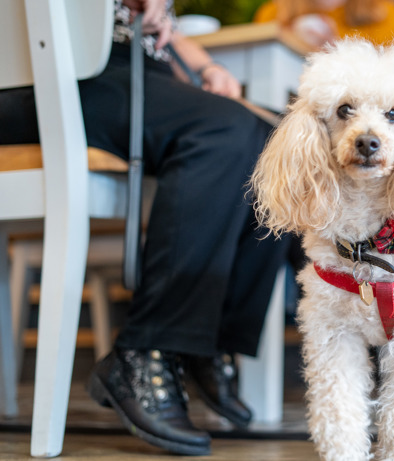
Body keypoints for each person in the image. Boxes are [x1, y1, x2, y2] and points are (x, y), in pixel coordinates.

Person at [0, 0, 287, 456]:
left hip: (130, 68)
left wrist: (207, 65)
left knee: (282, 144)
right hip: (38, 69)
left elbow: (159, 33)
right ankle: (146, 351)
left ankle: (204, 338)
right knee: (223, 132)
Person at [253, 0, 394, 48]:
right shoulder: (273, 14)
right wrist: (290, 41)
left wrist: (337, 46)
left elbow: (391, 74)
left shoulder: (381, 12)